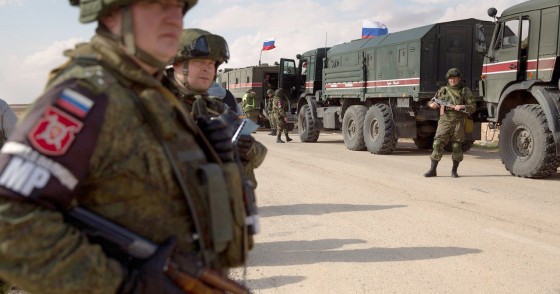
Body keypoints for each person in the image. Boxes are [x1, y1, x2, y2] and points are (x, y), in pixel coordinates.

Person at [0, 1, 250, 293]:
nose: (173, 19)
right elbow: (10, 219)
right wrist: (123, 285)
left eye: (178, 8)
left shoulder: (149, 97)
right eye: (158, 6)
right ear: (111, 15)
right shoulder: (86, 95)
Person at [163, 28, 267, 190]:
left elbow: (260, 154)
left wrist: (247, 148)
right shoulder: (153, 102)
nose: (207, 68)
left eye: (211, 63)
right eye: (199, 62)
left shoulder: (217, 107)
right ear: (177, 63)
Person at [424, 68, 476, 178]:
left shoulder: (465, 91)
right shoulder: (443, 90)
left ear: (459, 78)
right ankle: (433, 170)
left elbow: (473, 107)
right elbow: (432, 101)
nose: (452, 80)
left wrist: (461, 106)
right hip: (445, 120)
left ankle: (454, 171)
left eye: (454, 78)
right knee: (437, 144)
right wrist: (432, 105)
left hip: (458, 121)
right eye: (450, 78)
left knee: (457, 146)